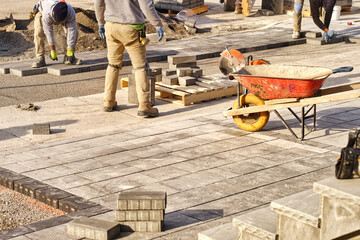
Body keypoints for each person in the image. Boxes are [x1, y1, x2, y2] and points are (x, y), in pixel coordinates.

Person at [94, 0, 164, 117]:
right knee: (140, 67)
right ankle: (144, 105)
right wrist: (158, 25)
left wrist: (100, 22)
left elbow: (98, 3)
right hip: (131, 28)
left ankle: (108, 101)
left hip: (111, 26)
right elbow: (146, 5)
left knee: (113, 64)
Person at [32, 0, 82, 68]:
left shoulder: (70, 11)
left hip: (62, 14)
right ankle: (40, 58)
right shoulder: (47, 14)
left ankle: (68, 57)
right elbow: (48, 32)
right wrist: (52, 50)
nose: (60, 23)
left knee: (75, 32)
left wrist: (70, 50)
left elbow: (71, 31)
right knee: (38, 32)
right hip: (42, 10)